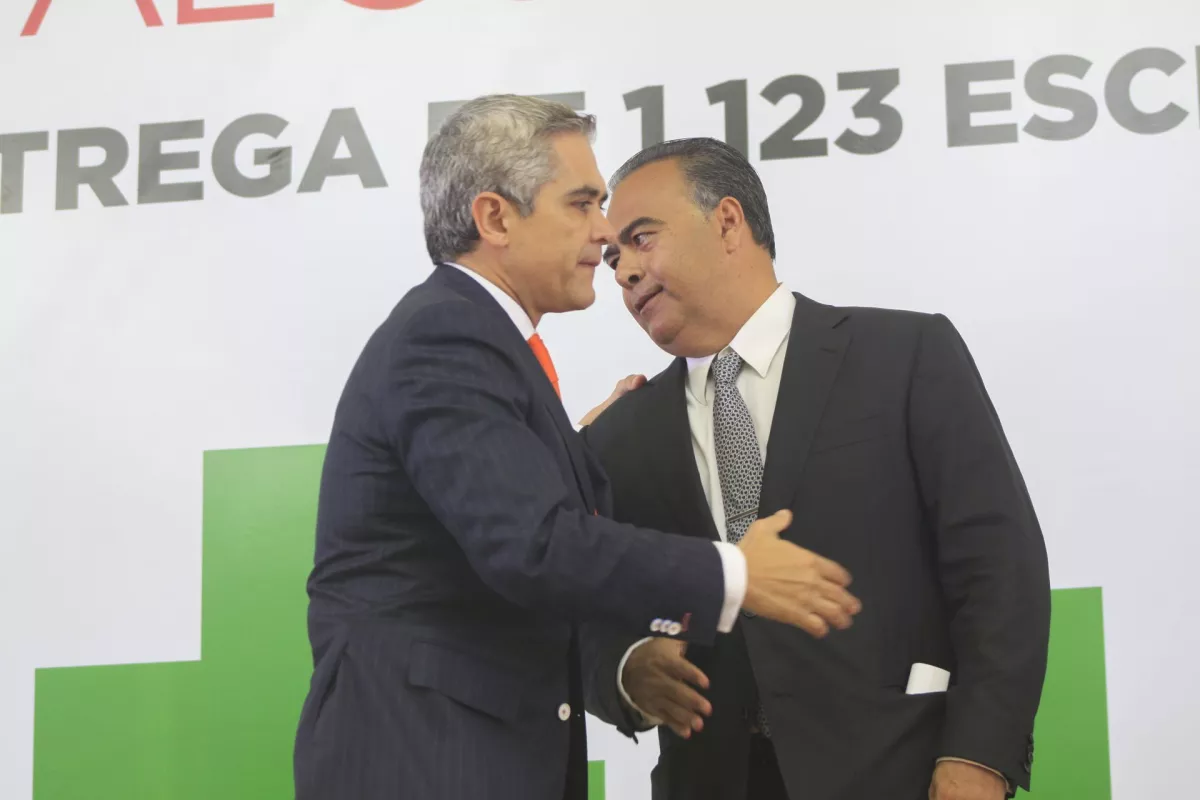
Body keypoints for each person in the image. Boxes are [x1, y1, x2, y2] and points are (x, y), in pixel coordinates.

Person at [291, 98, 861, 800]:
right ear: (496, 217)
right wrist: (737, 575)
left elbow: (507, 526)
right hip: (432, 759)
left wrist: (575, 455)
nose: (603, 234)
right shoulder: (448, 335)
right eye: (583, 204)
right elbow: (532, 546)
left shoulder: (483, 342)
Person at [580, 138, 1051, 800]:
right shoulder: (617, 436)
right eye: (611, 257)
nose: (624, 270)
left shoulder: (905, 358)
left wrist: (979, 757)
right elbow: (585, 610)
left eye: (641, 238)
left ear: (727, 222)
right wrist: (627, 672)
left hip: (900, 774)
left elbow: (1001, 572)